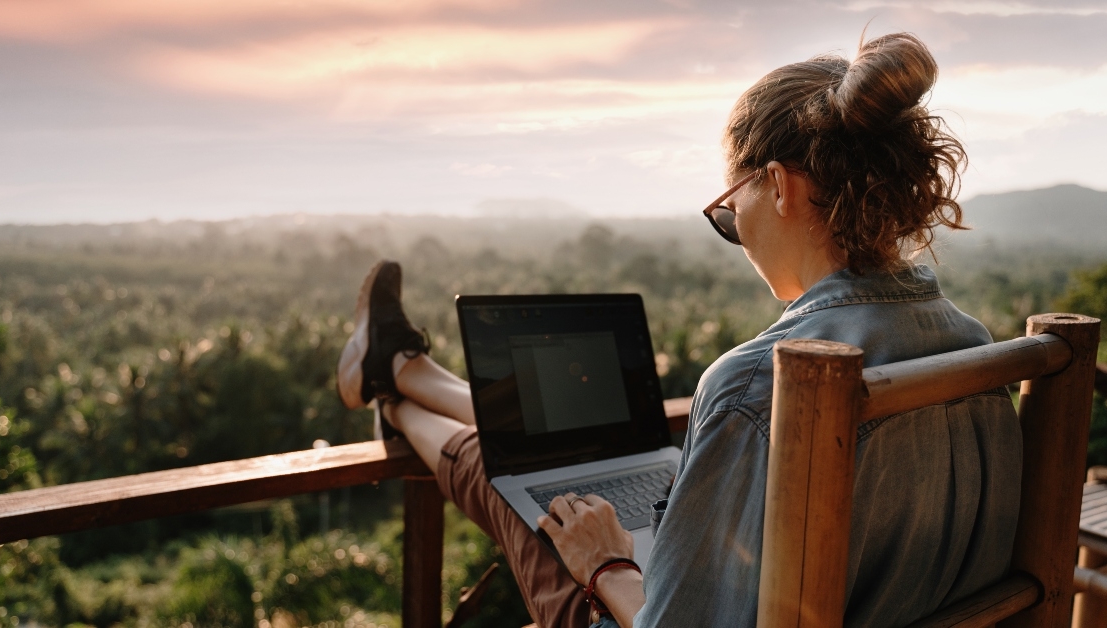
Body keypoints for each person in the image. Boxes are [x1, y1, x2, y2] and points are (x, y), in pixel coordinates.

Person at [335, 32, 1021, 628]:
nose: (736, 231)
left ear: (779, 186)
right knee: (546, 454)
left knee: (502, 469)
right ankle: (400, 372)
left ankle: (393, 390)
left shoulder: (759, 385)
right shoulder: (975, 348)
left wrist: (604, 563)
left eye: (730, 210)